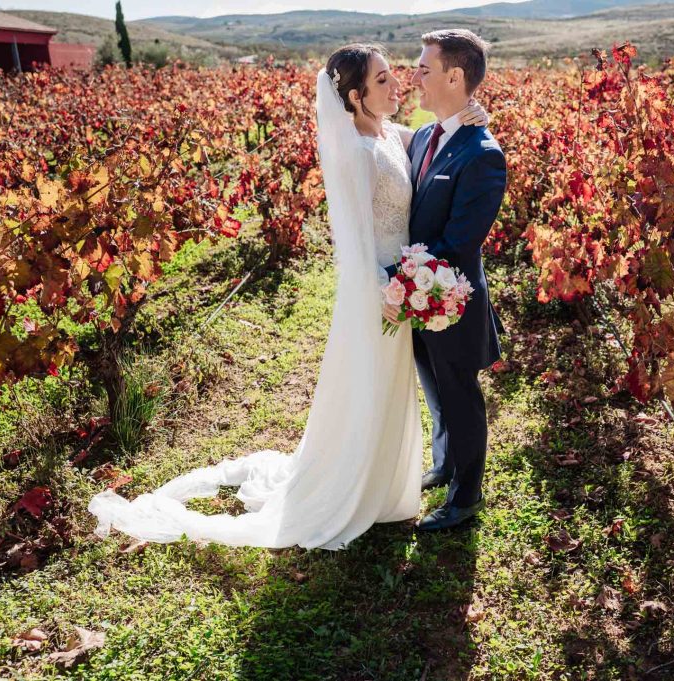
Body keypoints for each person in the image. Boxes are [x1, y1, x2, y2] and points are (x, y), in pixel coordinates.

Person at [86, 43, 490, 550]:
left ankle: (392, 479)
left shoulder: (396, 134)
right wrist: (387, 288)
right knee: (371, 388)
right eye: (383, 80)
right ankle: (358, 485)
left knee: (398, 388)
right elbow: (356, 240)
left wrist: (473, 114)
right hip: (381, 289)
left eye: (395, 76)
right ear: (355, 97)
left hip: (404, 285)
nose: (398, 85)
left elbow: (440, 141)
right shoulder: (357, 154)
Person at [383, 29, 507, 531]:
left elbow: (458, 246)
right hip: (417, 298)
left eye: (424, 69)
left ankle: (466, 497)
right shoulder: (426, 132)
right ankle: (447, 466)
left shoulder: (483, 154)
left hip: (448, 302)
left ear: (455, 77)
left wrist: (390, 279)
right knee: (435, 392)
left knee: (459, 398)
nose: (414, 77)